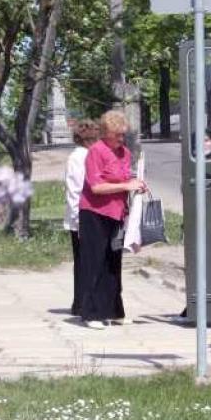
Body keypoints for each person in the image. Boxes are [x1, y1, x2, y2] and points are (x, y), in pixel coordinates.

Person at [78, 110, 147, 329]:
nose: (121, 139)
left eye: (123, 134)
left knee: (113, 262)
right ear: (106, 133)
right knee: (95, 262)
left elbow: (125, 179)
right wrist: (126, 185)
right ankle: (91, 313)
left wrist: (136, 184)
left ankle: (114, 310)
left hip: (117, 213)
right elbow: (96, 186)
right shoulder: (95, 152)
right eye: (117, 135)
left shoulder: (125, 153)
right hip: (95, 213)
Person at [63, 118, 100, 316]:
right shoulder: (79, 157)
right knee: (84, 262)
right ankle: (81, 302)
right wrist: (79, 220)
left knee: (85, 261)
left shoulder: (87, 155)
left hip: (85, 216)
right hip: (81, 217)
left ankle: (81, 301)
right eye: (94, 138)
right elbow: (75, 191)